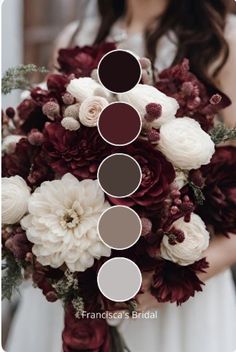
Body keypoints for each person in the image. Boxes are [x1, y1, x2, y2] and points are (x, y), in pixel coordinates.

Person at [6, 1, 236, 351]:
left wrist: (168, 281)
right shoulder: (75, 39)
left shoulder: (223, 42)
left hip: (173, 298)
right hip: (80, 287)